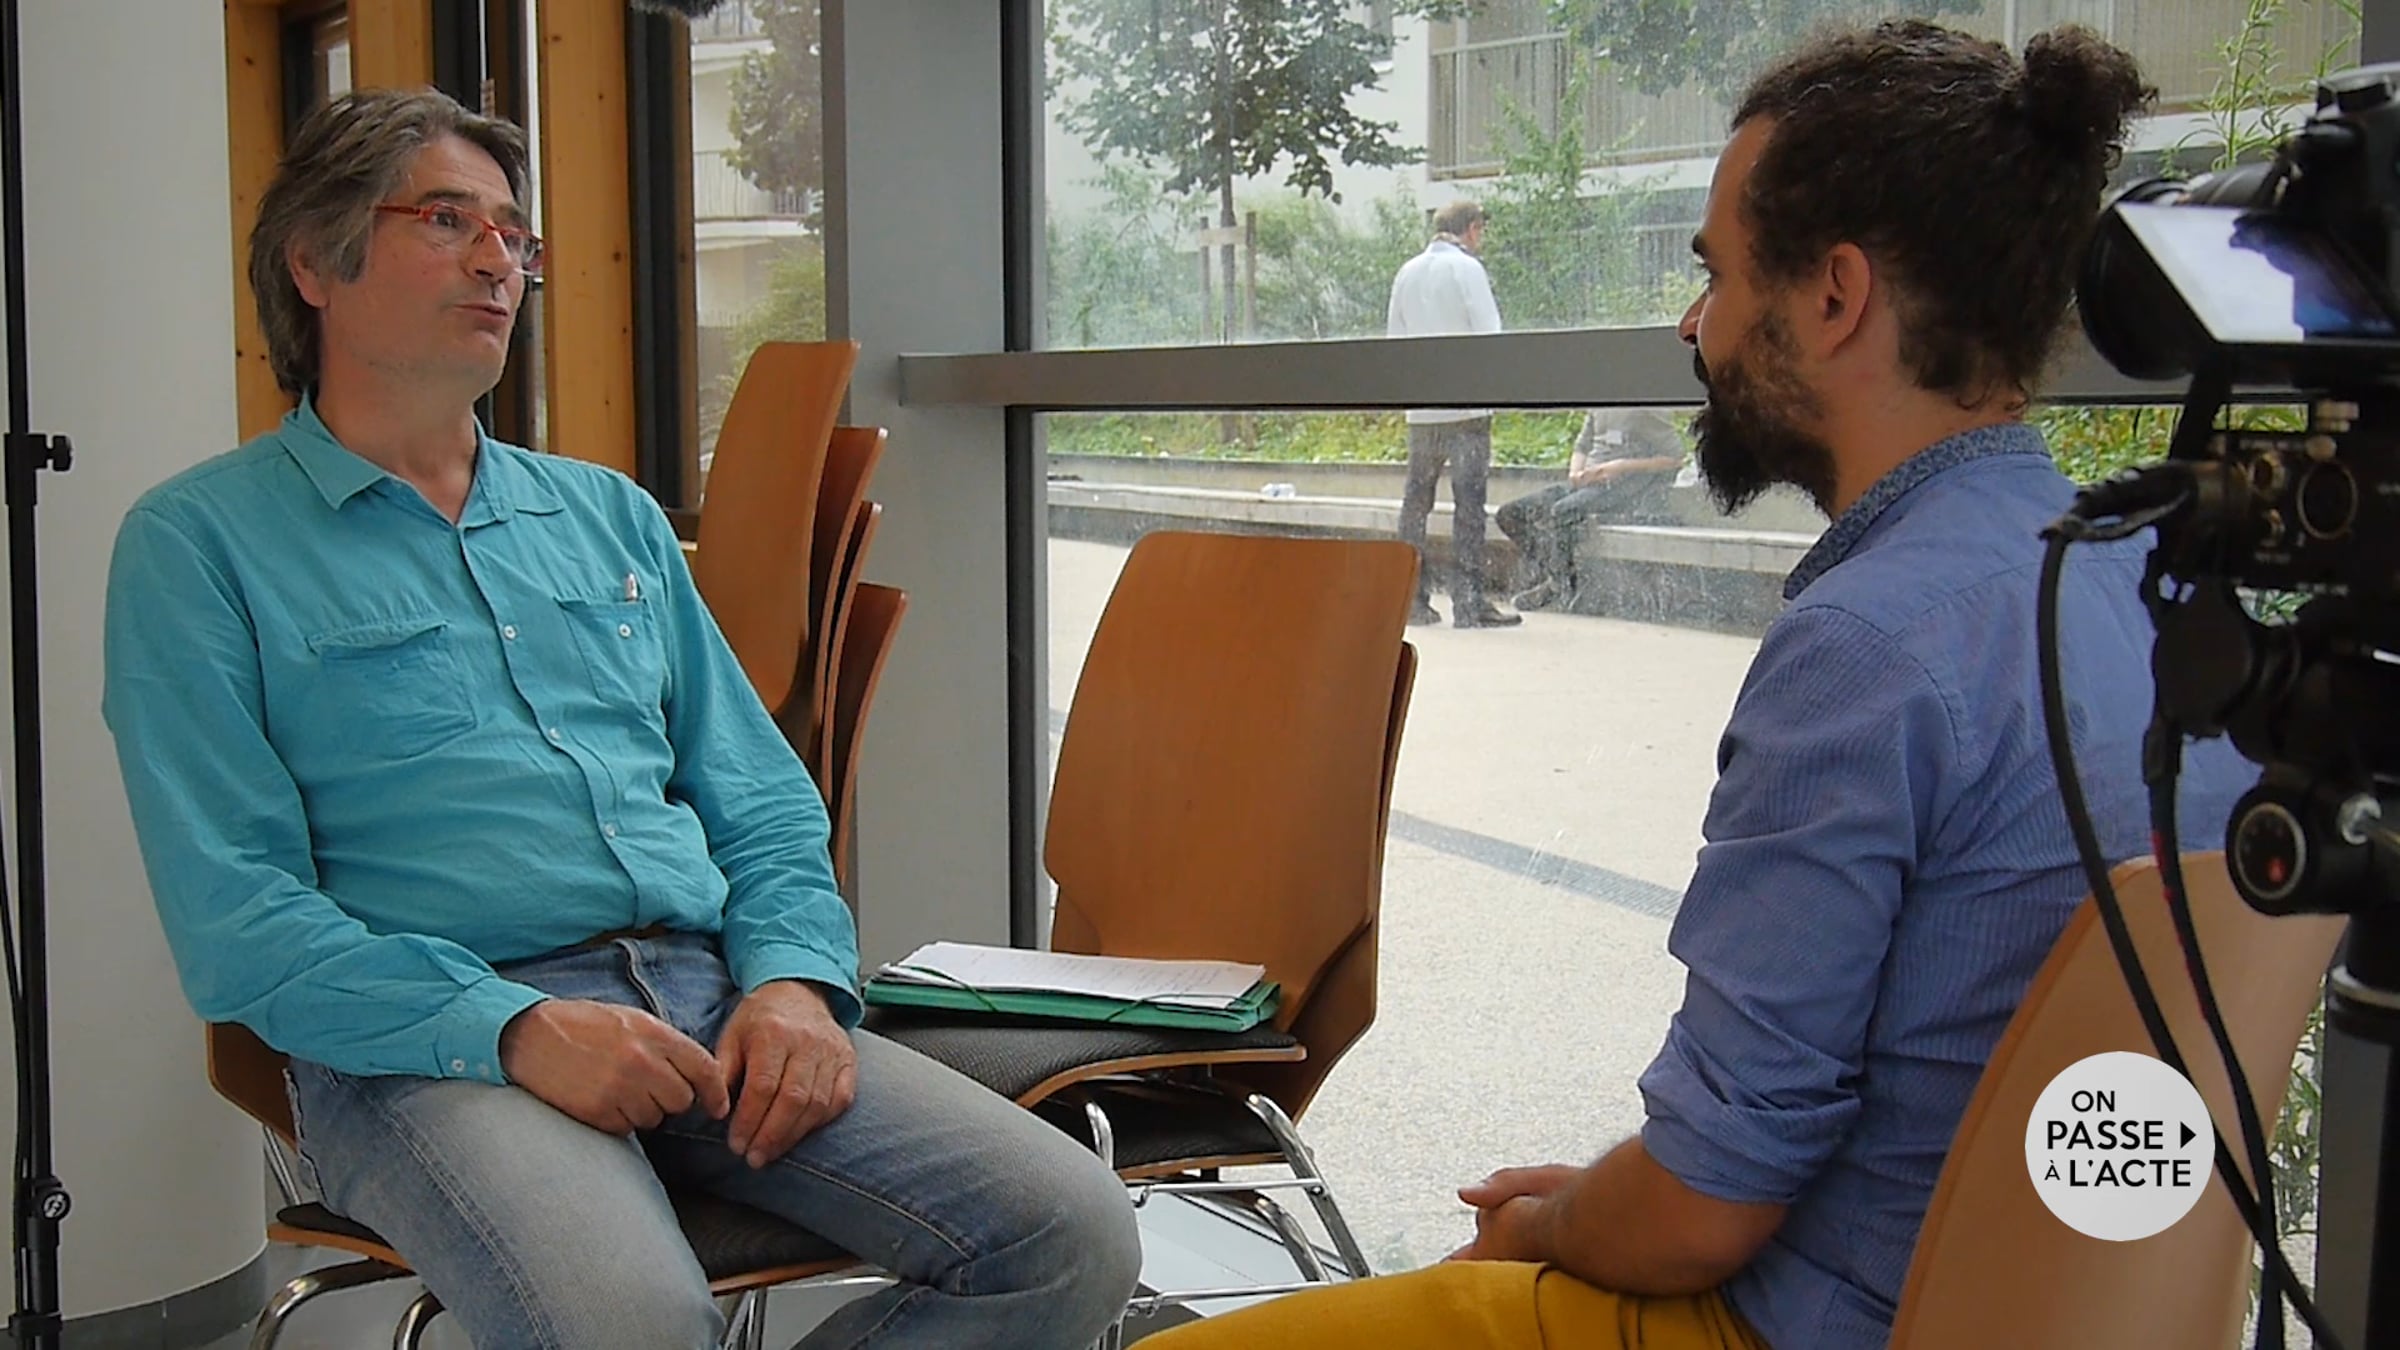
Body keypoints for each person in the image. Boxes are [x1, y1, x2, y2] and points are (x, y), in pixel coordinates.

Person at [1143, 21, 2254, 1350]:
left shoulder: (1867, 650)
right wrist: (1631, 1193)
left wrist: (1555, 1223)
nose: (1694, 323)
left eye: (1718, 274)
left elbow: (1700, 1216)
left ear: (1835, 297)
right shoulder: (2168, 599)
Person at [101, 89, 1139, 1350]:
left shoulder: (609, 516)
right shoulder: (197, 545)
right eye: (448, 219)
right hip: (430, 1045)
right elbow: (238, 916)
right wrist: (516, 1030)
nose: (498, 260)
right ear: (314, 262)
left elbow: (761, 800)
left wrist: (795, 984)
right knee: (627, 1323)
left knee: (1071, 1232)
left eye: (514, 234)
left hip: (711, 998)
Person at [1389, 199, 1518, 628]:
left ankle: (1411, 600)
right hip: (1466, 409)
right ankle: (1469, 603)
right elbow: (1489, 336)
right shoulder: (1467, 270)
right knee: (1469, 507)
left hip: (1422, 412)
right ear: (1473, 227)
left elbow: (1395, 340)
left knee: (1415, 506)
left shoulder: (1407, 272)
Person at [1495, 406, 1687, 611]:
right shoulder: (1600, 405)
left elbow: (1674, 459)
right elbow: (1582, 445)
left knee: (1563, 510)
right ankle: (1556, 571)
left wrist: (1619, 467)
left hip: (1623, 486)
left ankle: (1559, 584)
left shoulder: (1646, 409)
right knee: (1510, 513)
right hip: (1585, 482)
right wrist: (1576, 473)